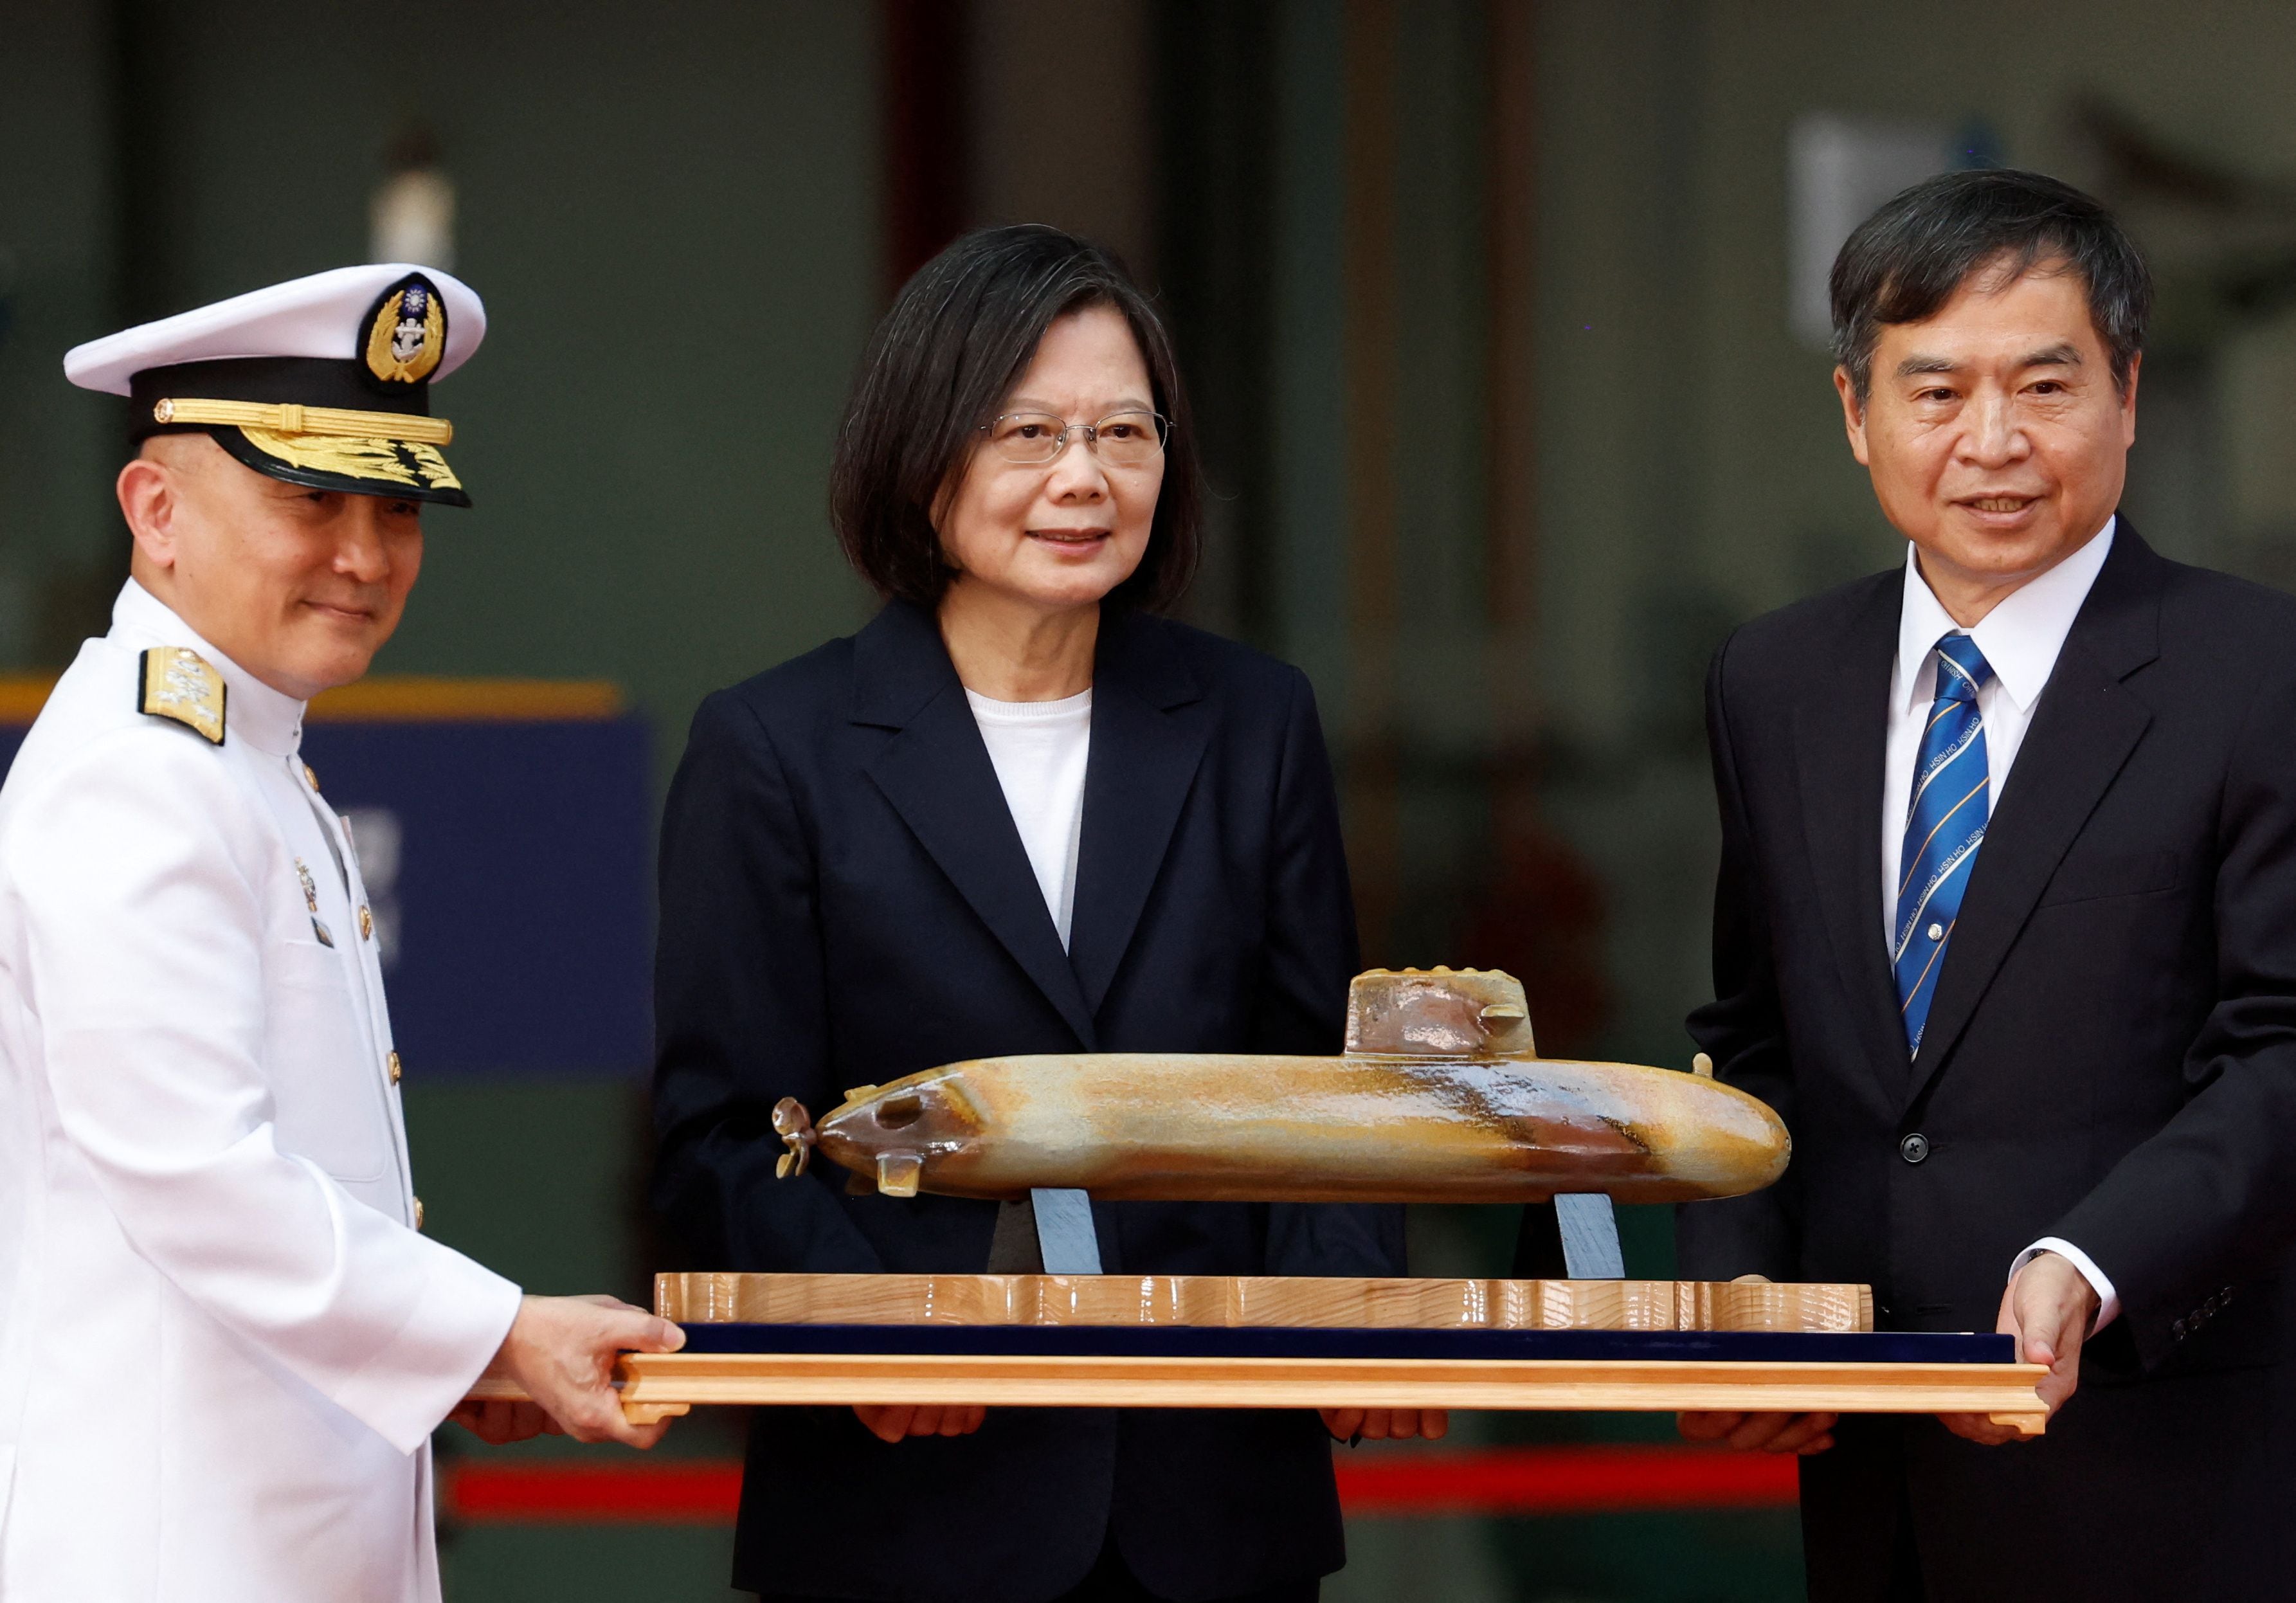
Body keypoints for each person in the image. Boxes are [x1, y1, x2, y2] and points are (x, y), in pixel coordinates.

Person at [651, 224, 1436, 1603]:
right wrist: (876, 1338)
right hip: (908, 1491)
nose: (1082, 477)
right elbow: (723, 1131)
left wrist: (1351, 1320)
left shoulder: (1251, 721)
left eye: (1122, 432)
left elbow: (1326, 1091)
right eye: (1027, 431)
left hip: (1209, 1497)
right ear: (924, 450)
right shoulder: (779, 745)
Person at [0, 265, 684, 1602]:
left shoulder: (241, 750)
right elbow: (198, 1172)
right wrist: (499, 1329)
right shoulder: (141, 771)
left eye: (396, 505)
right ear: (155, 511)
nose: (364, 555)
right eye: (308, 499)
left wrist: (475, 1352)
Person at [1670, 168, 2296, 1598]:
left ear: (2127, 395)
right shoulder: (1774, 680)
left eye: (2043, 385)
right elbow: (1751, 1039)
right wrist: (1738, 1299)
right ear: (1854, 413)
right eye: (1935, 390)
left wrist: (2094, 1256)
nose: (1991, 442)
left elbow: (2282, 1044)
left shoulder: (2256, 673)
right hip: (1869, 1474)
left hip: (2163, 1464)